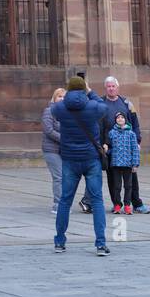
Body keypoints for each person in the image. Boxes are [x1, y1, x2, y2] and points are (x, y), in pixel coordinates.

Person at [51, 76, 110, 255]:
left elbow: (54, 112)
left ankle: (60, 241)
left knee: (65, 201)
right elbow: (104, 107)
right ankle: (100, 244)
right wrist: (90, 91)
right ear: (84, 88)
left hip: (69, 159)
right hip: (91, 158)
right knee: (97, 200)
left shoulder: (60, 107)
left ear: (68, 89)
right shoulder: (92, 106)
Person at [79, 75, 150, 214]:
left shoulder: (127, 103)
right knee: (113, 178)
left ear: (117, 88)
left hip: (127, 147)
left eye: (113, 86)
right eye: (108, 86)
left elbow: (135, 123)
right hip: (110, 148)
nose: (111, 89)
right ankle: (116, 204)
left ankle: (136, 203)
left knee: (131, 179)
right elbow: (96, 125)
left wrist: (137, 141)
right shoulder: (100, 103)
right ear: (105, 88)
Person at [106, 112, 140, 214]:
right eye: (118, 118)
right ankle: (117, 204)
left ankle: (127, 205)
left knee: (128, 185)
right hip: (116, 163)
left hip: (128, 164)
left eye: (122, 117)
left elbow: (135, 149)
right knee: (116, 186)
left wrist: (135, 164)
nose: (120, 119)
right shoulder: (112, 133)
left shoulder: (131, 134)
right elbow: (109, 146)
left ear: (125, 120)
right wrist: (109, 151)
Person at [41, 87, 66, 214]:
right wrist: (65, 139)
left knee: (65, 177)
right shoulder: (49, 111)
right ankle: (58, 205)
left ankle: (64, 203)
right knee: (59, 176)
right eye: (59, 96)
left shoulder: (67, 113)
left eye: (64, 97)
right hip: (51, 149)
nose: (62, 99)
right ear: (54, 98)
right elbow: (49, 130)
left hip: (64, 150)